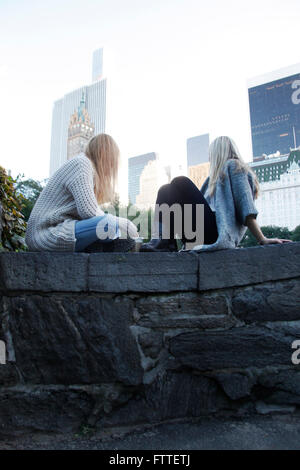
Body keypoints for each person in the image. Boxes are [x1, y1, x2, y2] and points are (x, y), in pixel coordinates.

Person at [140, 136, 291, 252]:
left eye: (211, 154)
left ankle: (164, 242)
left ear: (218, 152)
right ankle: (164, 242)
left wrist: (262, 238)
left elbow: (246, 206)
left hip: (217, 233)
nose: (209, 158)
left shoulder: (234, 166)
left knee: (180, 181)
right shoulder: (211, 180)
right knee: (165, 190)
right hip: (200, 233)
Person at [25, 134, 138, 252]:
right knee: (110, 225)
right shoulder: (82, 163)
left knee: (114, 231)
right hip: (46, 235)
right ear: (106, 155)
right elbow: (88, 211)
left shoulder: (89, 172)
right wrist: (124, 223)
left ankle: (97, 249)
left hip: (61, 230)